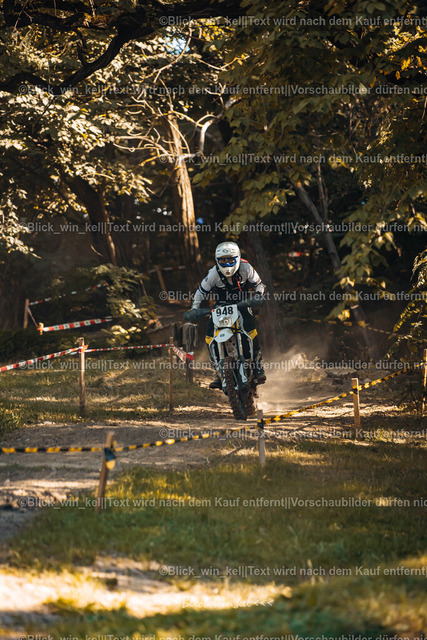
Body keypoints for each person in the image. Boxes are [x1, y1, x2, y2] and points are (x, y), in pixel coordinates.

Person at [186, 241, 266, 389]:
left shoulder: (246, 267)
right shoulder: (213, 273)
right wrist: (194, 309)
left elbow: (259, 284)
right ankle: (219, 372)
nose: (227, 264)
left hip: (243, 303)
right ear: (217, 261)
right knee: (210, 337)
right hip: (221, 306)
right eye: (223, 261)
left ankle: (257, 366)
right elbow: (200, 292)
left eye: (230, 260)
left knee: (251, 331)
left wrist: (259, 295)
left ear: (237, 258)